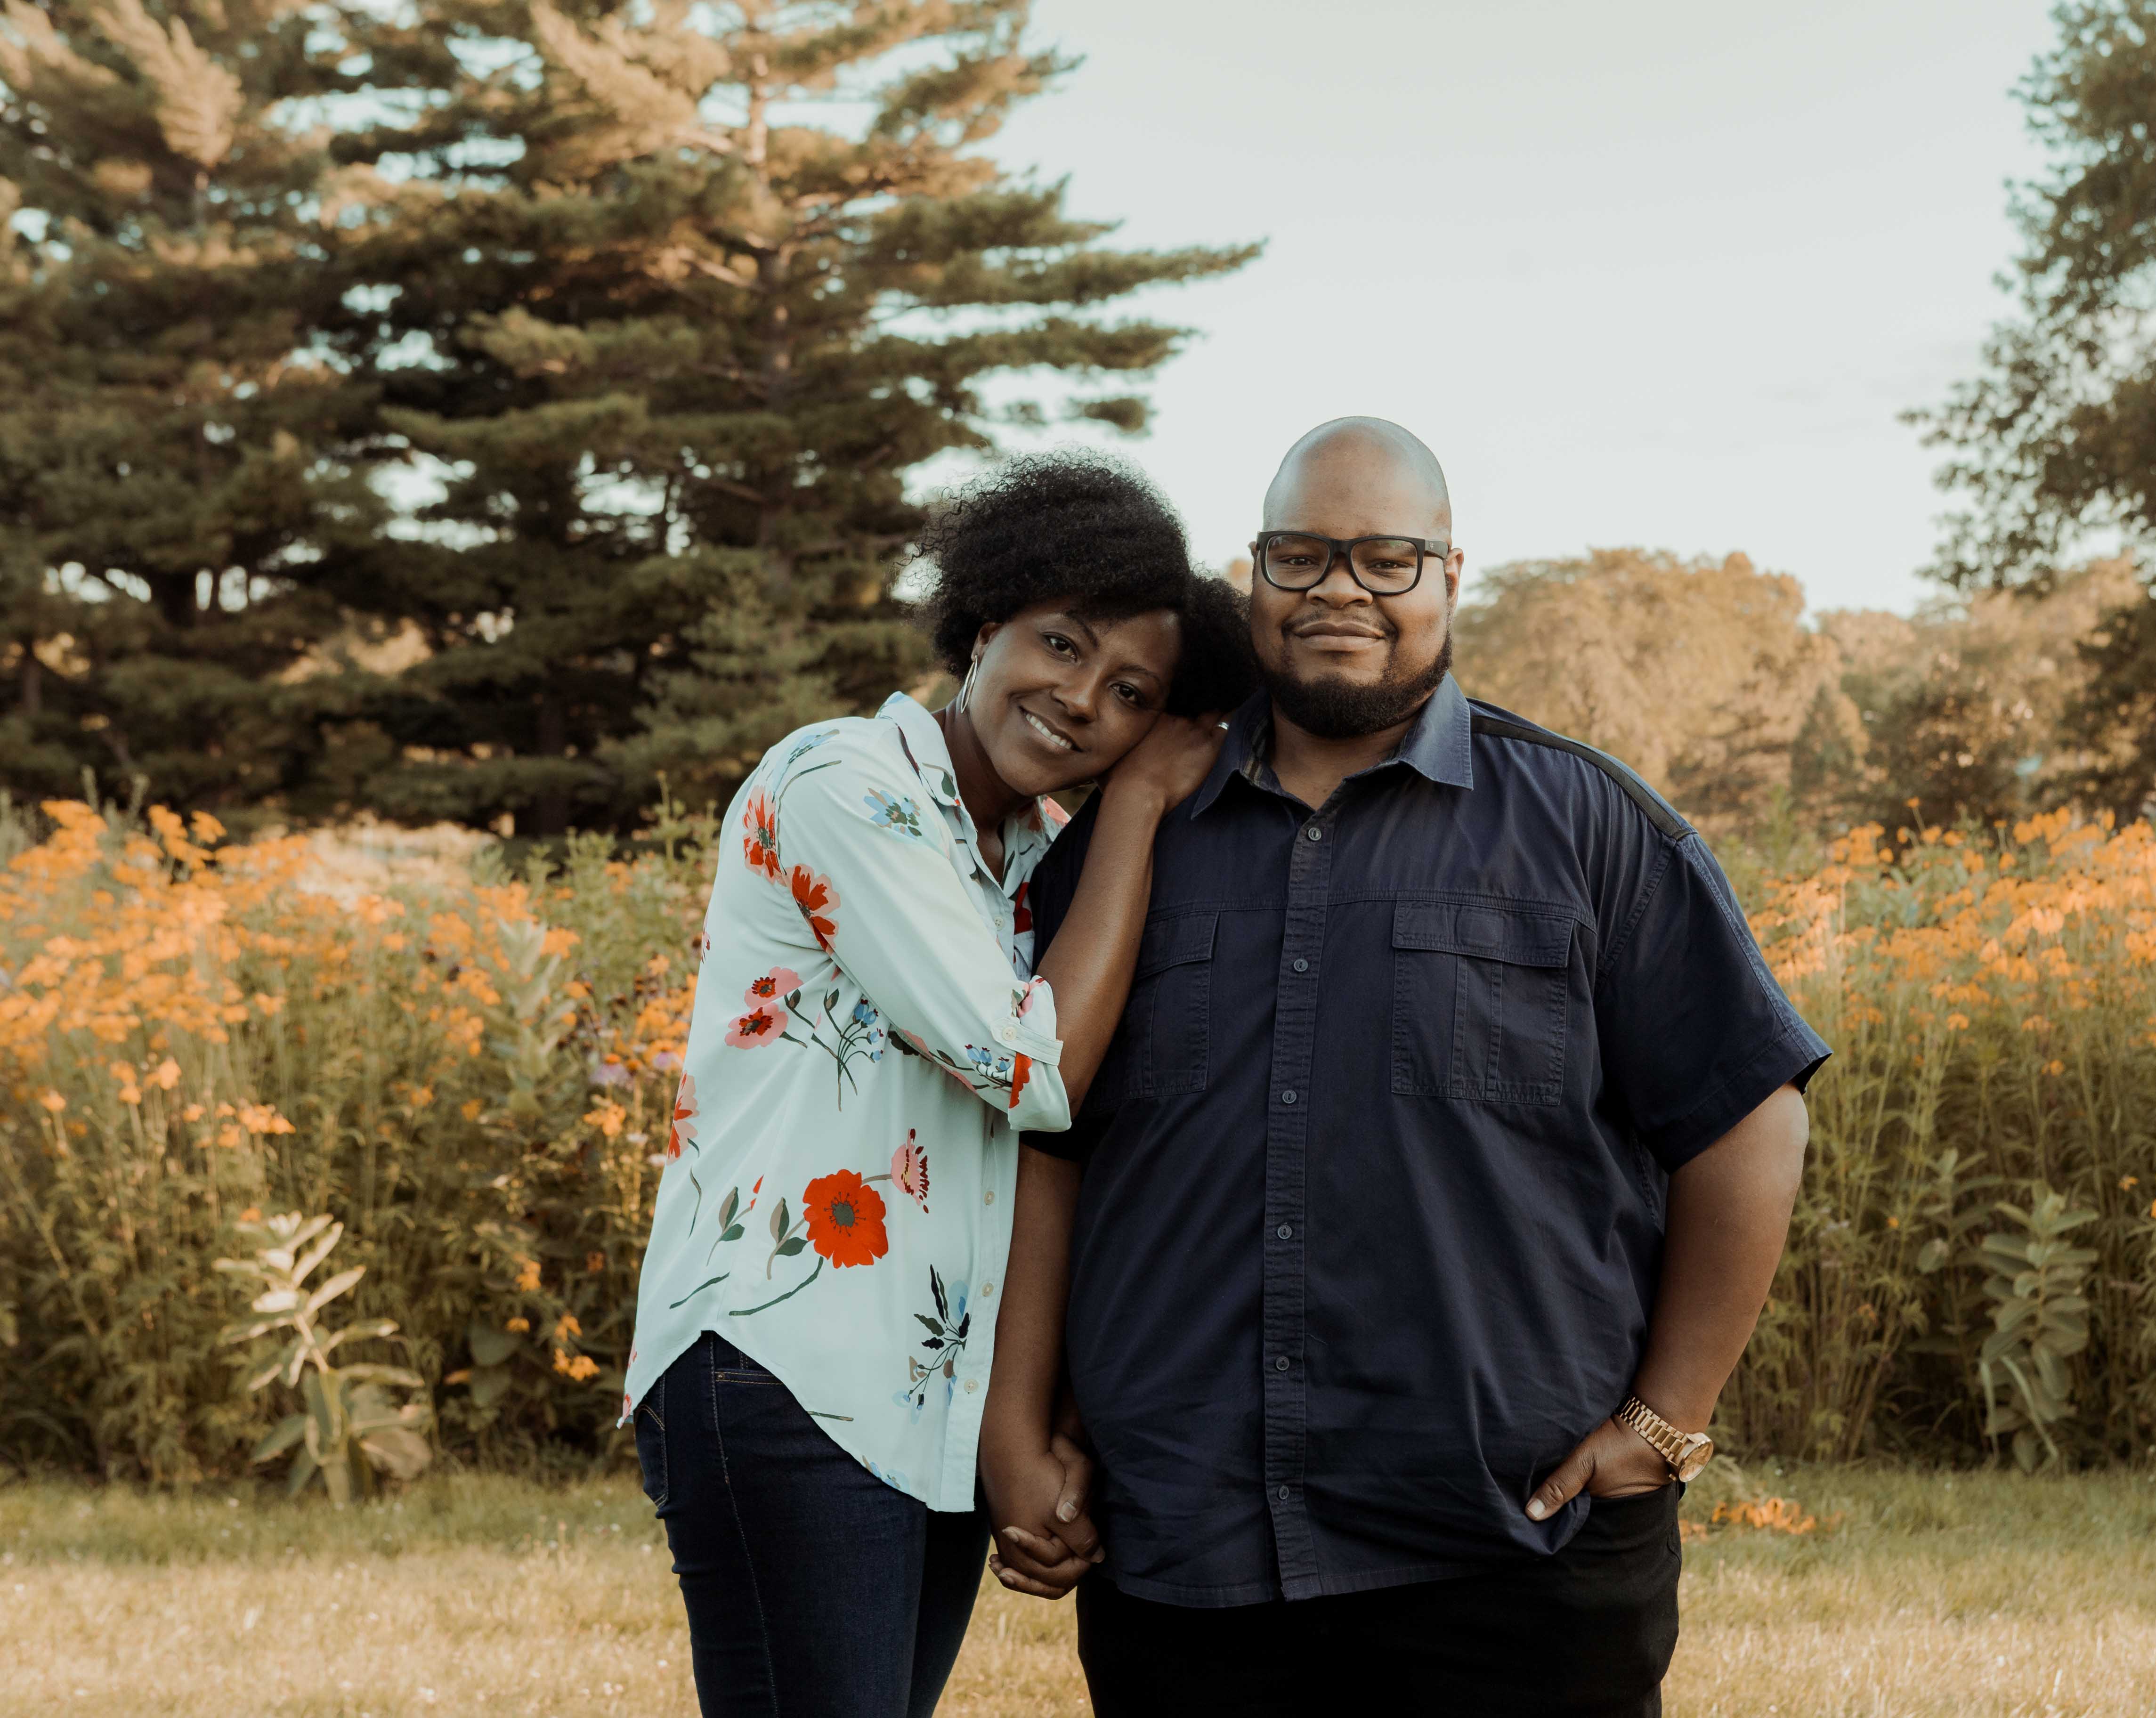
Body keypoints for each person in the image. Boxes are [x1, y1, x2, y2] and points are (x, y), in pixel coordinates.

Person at [984, 418, 1828, 1716]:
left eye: (1386, 559)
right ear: (1253, 576)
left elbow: (1750, 1121)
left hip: (1515, 1552)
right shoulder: (1129, 834)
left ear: (1449, 576)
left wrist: (1666, 1421)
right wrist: (1017, 1433)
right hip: (1189, 1548)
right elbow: (1048, 1143)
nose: (1341, 591)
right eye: (1302, 555)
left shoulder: (1587, 824)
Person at [621, 453, 1254, 1718]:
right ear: (983, 622)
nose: (1079, 699)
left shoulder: (1037, 861)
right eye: (1061, 644)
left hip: (929, 1397)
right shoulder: (843, 784)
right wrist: (1137, 805)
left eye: (1131, 694)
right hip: (782, 1366)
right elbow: (1032, 1072)